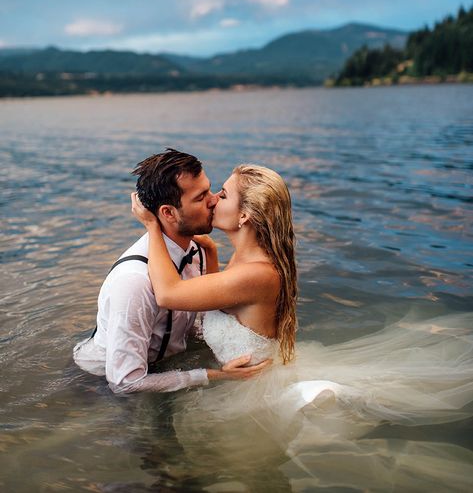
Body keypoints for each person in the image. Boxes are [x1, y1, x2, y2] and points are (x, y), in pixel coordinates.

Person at [131, 162, 473, 491]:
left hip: (254, 392)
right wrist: (207, 248)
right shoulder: (247, 259)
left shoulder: (256, 273)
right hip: (242, 374)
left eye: (222, 194)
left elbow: (168, 294)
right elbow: (220, 296)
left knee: (245, 471)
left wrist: (150, 226)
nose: (212, 200)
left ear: (245, 215)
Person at [73, 149, 269, 394]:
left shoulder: (195, 249)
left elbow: (189, 319)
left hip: (163, 369)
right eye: (200, 198)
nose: (213, 200)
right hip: (100, 386)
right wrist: (215, 375)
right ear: (168, 213)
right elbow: (124, 383)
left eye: (209, 189)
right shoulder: (133, 282)